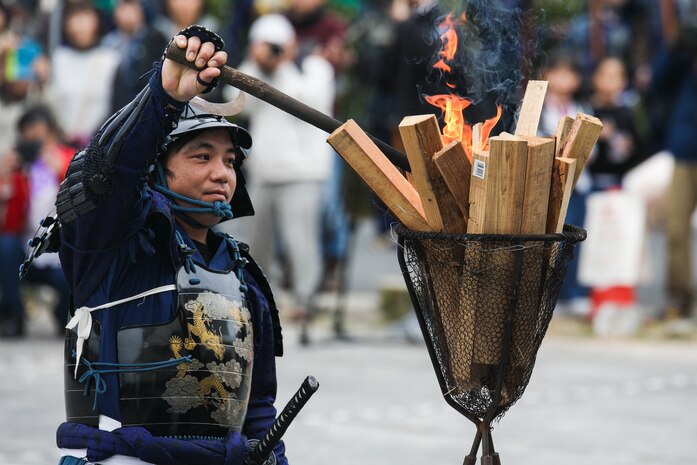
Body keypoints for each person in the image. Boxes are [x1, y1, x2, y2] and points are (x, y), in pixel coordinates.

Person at [33, 27, 286, 464]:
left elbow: (259, 404)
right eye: (202, 156)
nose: (222, 173)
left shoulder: (243, 274)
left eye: (229, 161)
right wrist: (163, 96)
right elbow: (108, 174)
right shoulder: (113, 244)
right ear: (156, 170)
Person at [222, 14, 334, 345]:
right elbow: (238, 104)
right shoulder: (256, 71)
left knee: (301, 242)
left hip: (303, 172)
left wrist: (282, 65)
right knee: (258, 243)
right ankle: (260, 298)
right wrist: (255, 64)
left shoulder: (313, 67)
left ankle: (305, 302)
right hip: (265, 172)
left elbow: (306, 101)